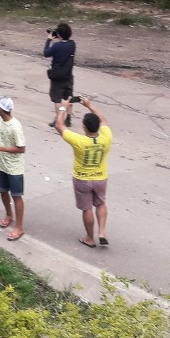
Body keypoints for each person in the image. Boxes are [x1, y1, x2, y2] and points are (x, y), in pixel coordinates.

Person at [54, 96, 111, 248]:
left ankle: (90, 238)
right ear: (98, 126)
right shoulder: (106, 137)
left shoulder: (79, 141)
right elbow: (104, 120)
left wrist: (63, 107)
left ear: (84, 127)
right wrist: (89, 105)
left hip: (82, 179)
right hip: (100, 178)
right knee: (100, 204)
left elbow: (59, 126)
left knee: (87, 209)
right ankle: (102, 232)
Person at [0, 96, 26, 241]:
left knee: (16, 196)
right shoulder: (1, 120)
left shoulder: (15, 126)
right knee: (2, 191)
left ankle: (19, 227)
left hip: (14, 168)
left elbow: (21, 149)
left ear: (1, 109)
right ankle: (9, 214)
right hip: (2, 164)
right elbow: (1, 136)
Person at [44, 23, 76, 128]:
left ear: (60, 35)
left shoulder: (57, 46)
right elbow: (64, 42)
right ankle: (68, 119)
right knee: (68, 97)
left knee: (57, 99)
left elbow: (46, 53)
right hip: (68, 75)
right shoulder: (72, 44)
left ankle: (59, 120)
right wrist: (59, 35)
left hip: (57, 76)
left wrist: (49, 39)